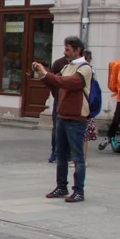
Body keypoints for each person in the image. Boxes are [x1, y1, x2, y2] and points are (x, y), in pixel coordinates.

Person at [32, 36, 93, 203]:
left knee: (77, 157)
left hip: (76, 118)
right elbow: (56, 82)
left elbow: (69, 83)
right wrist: (43, 76)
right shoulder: (67, 66)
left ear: (77, 50)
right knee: (61, 155)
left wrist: (47, 75)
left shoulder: (85, 68)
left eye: (67, 49)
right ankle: (61, 186)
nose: (65, 53)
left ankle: (79, 190)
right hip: (62, 116)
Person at [46, 53, 68, 163]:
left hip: (71, 102)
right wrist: (55, 94)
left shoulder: (80, 65)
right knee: (57, 127)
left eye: (68, 49)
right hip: (59, 100)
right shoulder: (59, 63)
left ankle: (68, 153)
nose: (65, 52)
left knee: (70, 128)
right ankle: (55, 151)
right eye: (65, 49)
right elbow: (51, 80)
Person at [83, 50, 98, 158]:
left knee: (81, 134)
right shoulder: (92, 70)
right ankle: (82, 158)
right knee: (85, 135)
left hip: (83, 104)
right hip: (89, 105)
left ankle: (79, 158)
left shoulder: (85, 70)